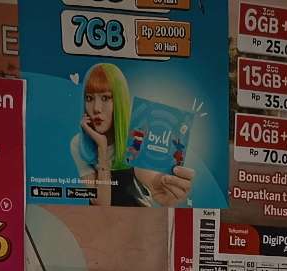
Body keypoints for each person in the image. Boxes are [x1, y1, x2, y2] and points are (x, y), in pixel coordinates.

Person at [70, 63, 196, 208]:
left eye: (105, 98)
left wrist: (163, 183)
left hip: (137, 216)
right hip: (102, 219)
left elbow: (149, 177)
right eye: (89, 98)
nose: (96, 108)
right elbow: (101, 203)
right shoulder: (79, 143)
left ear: (120, 100)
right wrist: (102, 148)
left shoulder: (136, 134)